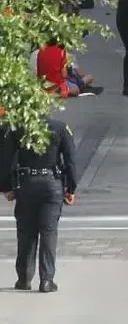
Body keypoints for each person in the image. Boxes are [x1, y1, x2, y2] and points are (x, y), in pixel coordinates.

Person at [0, 113, 77, 293]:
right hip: (52, 184)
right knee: (49, 231)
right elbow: (70, 160)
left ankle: (24, 278)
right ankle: (47, 280)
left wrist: (6, 187)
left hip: (25, 183)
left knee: (26, 231)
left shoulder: (17, 129)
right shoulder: (60, 127)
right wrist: (71, 189)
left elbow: (5, 160)